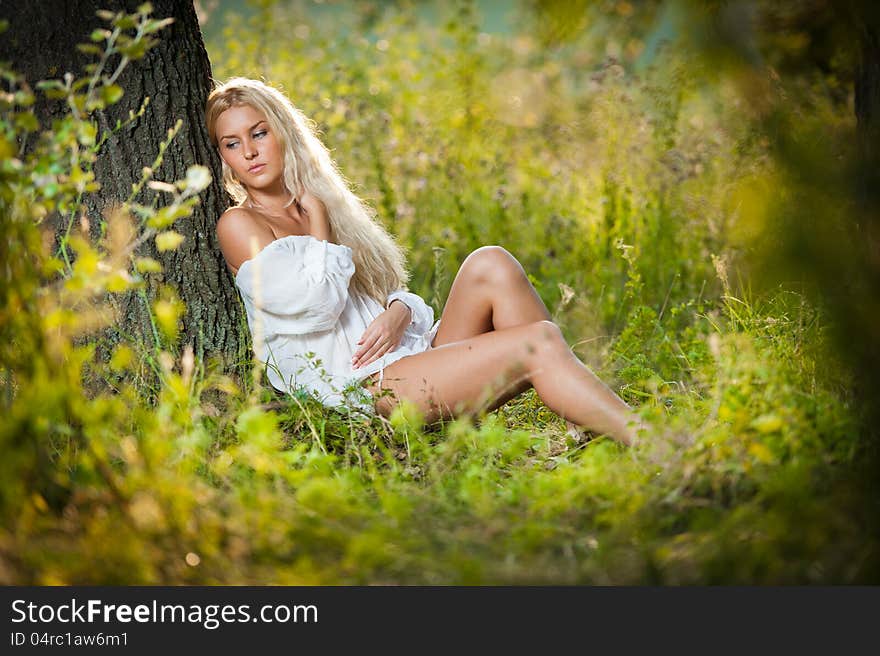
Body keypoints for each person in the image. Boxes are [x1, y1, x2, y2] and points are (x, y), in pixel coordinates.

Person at [205, 77, 648, 446]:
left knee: (491, 262)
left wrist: (399, 311)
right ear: (223, 157)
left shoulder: (319, 202)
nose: (249, 152)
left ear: (283, 133)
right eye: (232, 143)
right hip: (365, 391)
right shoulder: (240, 225)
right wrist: (318, 222)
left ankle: (586, 420)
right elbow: (318, 306)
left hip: (405, 358)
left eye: (258, 133)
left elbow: (382, 297)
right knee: (538, 341)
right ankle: (652, 444)